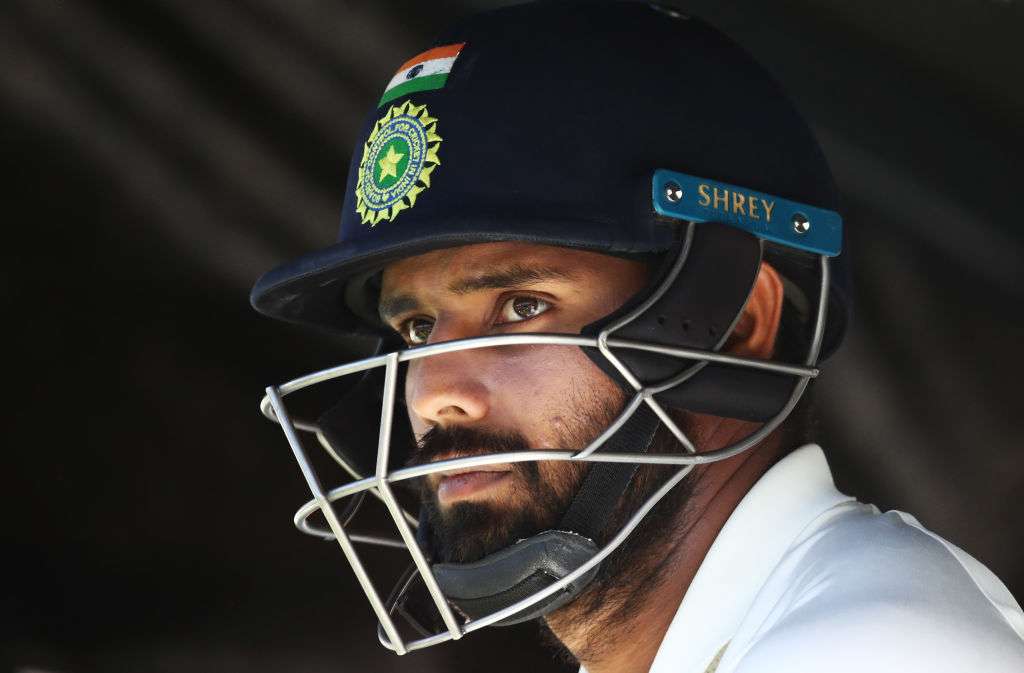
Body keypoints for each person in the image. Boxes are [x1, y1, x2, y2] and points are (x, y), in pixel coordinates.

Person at [250, 2, 1024, 672]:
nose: (436, 393)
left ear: (738, 323)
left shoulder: (873, 649)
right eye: (418, 327)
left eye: (521, 305)